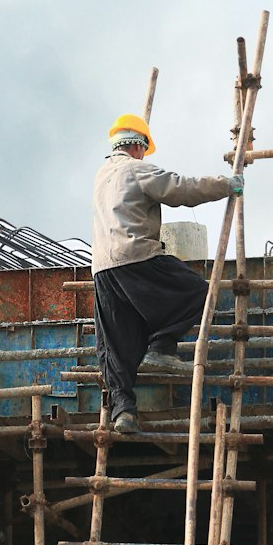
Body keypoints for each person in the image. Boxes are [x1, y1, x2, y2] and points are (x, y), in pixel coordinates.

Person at [91, 113, 243, 434]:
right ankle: (161, 346)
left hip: (103, 270)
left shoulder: (102, 175)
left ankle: (123, 411)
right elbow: (179, 189)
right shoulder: (135, 169)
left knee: (118, 342)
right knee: (197, 292)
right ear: (138, 147)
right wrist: (224, 185)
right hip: (136, 256)